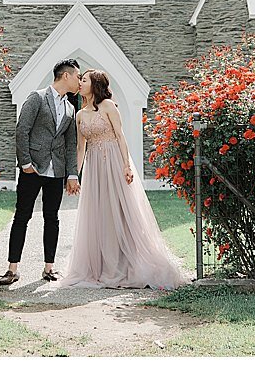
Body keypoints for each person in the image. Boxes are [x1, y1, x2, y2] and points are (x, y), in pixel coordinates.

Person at [59, 69, 187, 290]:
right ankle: (103, 266)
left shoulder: (109, 106)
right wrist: (74, 176)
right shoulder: (80, 114)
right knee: (98, 213)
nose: (80, 83)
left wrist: (126, 165)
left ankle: (126, 262)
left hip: (114, 163)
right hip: (94, 167)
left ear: (95, 84)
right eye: (80, 79)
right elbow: (81, 148)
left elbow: (120, 136)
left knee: (119, 210)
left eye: (84, 80)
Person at [0, 58, 81, 286]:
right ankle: (12, 269)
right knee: (22, 216)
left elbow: (70, 144)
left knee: (52, 218)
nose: (80, 81)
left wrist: (72, 174)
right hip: (32, 169)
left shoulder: (70, 108)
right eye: (77, 76)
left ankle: (49, 268)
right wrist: (25, 163)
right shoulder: (37, 97)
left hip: (57, 171)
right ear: (66, 75)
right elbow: (22, 130)